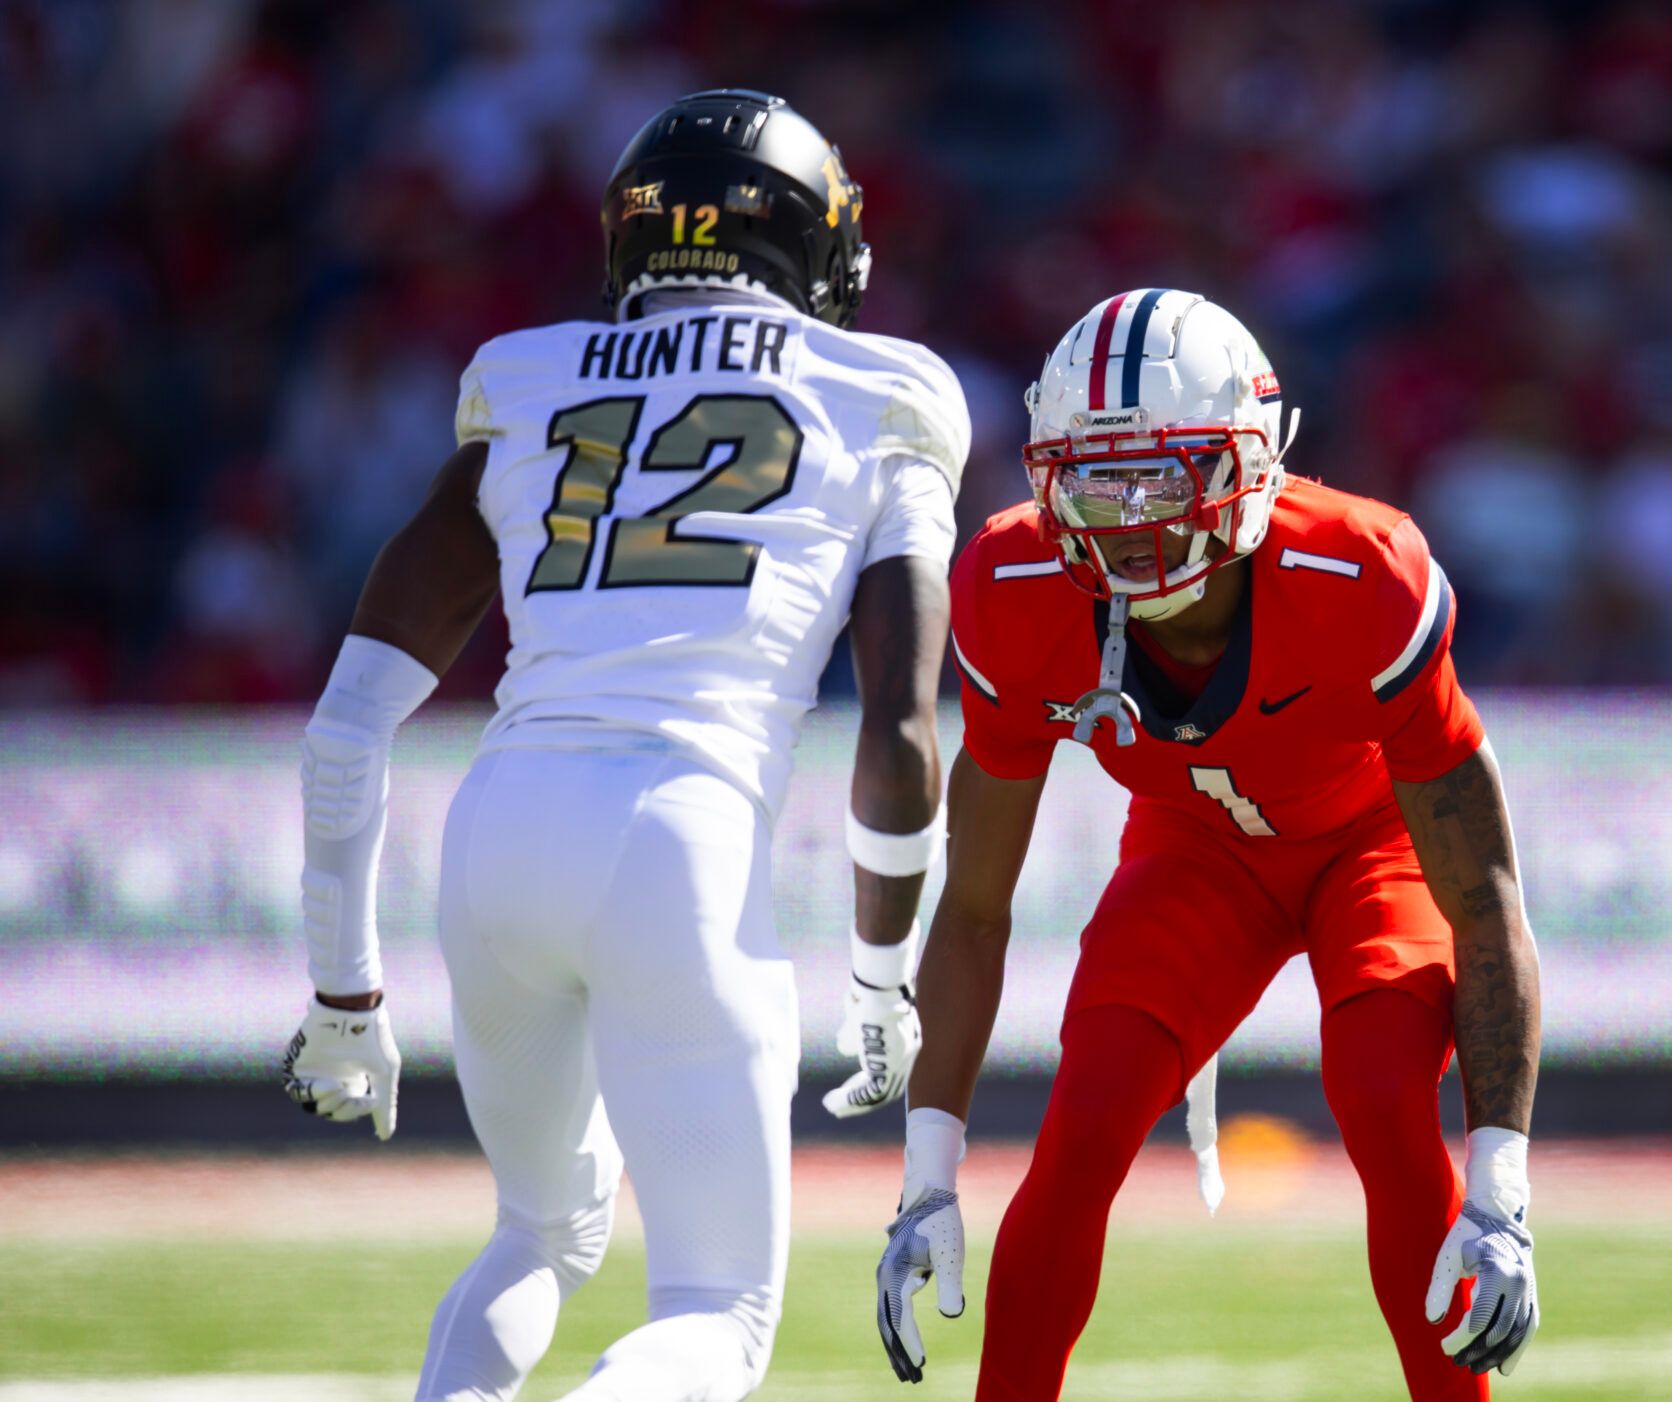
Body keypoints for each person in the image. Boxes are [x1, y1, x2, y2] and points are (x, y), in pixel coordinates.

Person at [277, 89, 966, 1402]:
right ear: (813, 242)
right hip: (680, 836)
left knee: (540, 1230)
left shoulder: (527, 377)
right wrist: (883, 982)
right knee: (718, 1311)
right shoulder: (886, 391)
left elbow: (346, 727)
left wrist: (343, 996)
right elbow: (899, 728)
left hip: (498, 832)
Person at [874, 290, 1541, 1401]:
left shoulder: (1361, 570)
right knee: (1086, 1116)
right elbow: (975, 904)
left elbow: (1485, 899)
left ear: (1244, 463)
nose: (1125, 518)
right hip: (1195, 850)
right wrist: (927, 1177)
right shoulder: (1014, 584)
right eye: (1096, 478)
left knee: (1382, 1090)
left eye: (1159, 476)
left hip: (1368, 841)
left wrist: (1500, 1188)